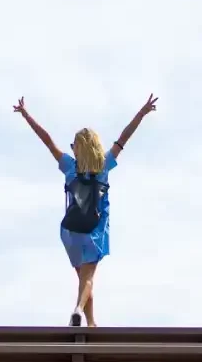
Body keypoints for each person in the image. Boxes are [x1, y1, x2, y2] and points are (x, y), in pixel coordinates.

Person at [13, 94, 158, 327]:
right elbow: (124, 137)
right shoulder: (103, 166)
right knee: (88, 278)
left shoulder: (70, 166)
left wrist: (26, 115)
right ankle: (78, 310)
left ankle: (90, 323)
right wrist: (142, 113)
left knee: (84, 278)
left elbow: (47, 141)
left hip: (70, 231)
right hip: (94, 230)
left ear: (79, 148)